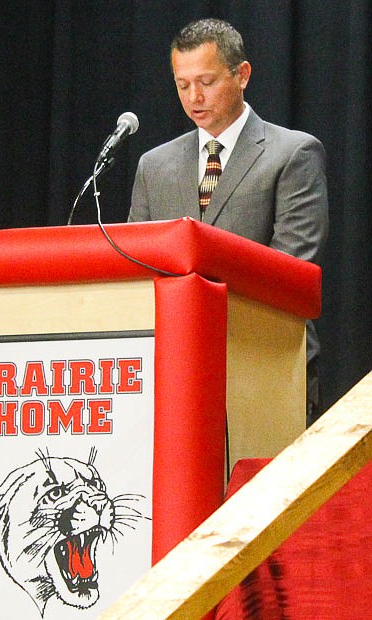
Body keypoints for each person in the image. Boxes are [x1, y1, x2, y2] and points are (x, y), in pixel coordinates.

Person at [128, 18, 329, 425]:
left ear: (242, 75)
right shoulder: (155, 166)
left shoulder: (292, 153)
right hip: (173, 369)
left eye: (206, 81)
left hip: (265, 360)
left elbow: (290, 266)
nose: (194, 97)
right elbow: (135, 265)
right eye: (182, 85)